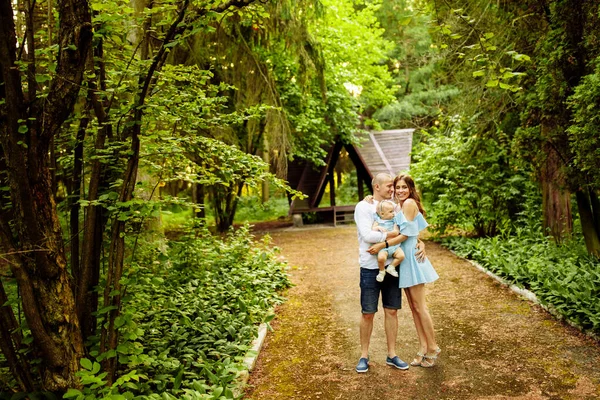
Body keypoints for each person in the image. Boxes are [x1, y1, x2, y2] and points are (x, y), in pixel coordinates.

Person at [368, 174, 440, 368]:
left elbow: (405, 234)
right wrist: (369, 199)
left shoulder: (408, 203)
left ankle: (433, 347)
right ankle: (423, 347)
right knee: (414, 308)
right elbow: (409, 230)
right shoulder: (398, 205)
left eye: (403, 187)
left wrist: (383, 244)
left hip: (413, 260)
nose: (399, 191)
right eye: (397, 187)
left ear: (410, 189)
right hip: (404, 259)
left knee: (420, 306)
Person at [354, 173, 414, 373]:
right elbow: (367, 235)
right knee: (368, 313)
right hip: (370, 268)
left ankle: (392, 354)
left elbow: (408, 230)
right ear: (376, 187)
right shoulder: (363, 207)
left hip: (392, 268)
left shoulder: (396, 207)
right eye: (389, 186)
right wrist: (390, 235)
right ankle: (364, 356)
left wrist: (420, 242)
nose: (393, 189)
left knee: (392, 311)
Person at [372, 200, 405, 282]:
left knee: (401, 256)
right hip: (383, 248)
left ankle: (391, 267)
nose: (393, 213)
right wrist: (378, 228)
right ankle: (382, 271)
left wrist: (385, 233)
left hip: (394, 246)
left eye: (393, 211)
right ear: (382, 214)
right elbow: (373, 229)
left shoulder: (394, 220)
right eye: (390, 212)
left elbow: (395, 232)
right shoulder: (378, 221)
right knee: (381, 258)